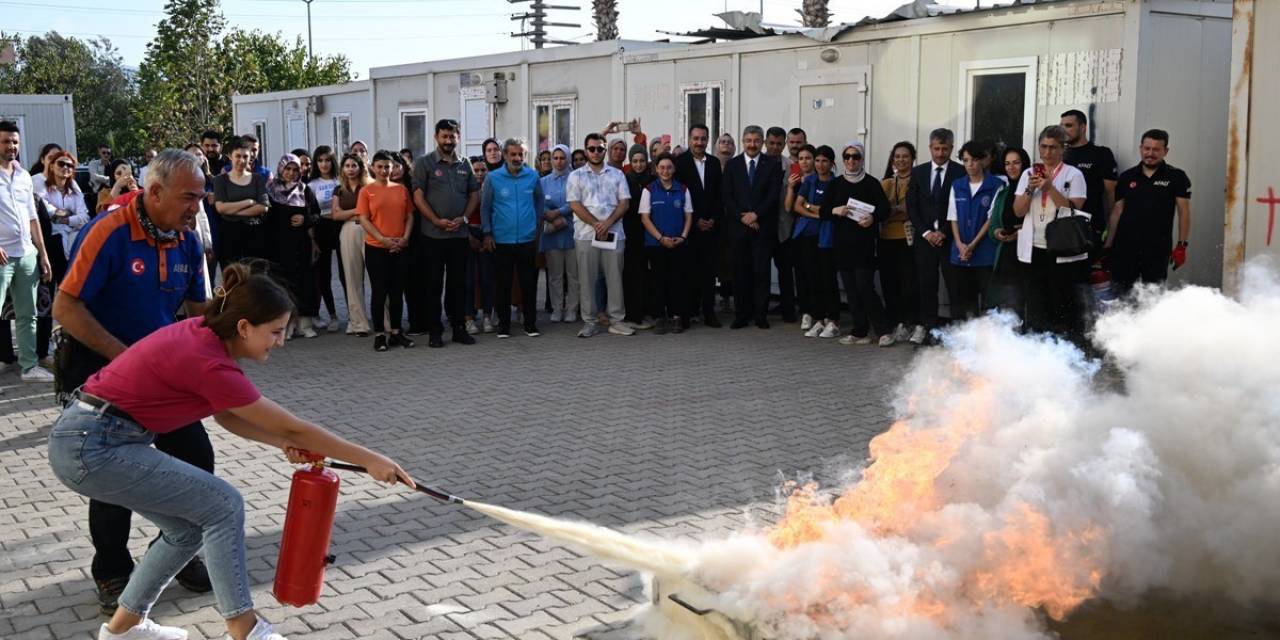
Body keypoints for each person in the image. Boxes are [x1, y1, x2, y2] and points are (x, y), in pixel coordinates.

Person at [50, 261, 415, 640]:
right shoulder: (209, 360)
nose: (280, 341)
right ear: (244, 327)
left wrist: (281, 444)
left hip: (92, 440)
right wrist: (371, 458)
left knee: (186, 530)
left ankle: (124, 630)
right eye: (274, 332)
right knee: (224, 505)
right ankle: (245, 630)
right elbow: (294, 425)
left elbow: (227, 417)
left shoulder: (205, 338)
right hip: (94, 444)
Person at [53, 149, 214, 616]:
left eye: (201, 198)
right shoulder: (107, 231)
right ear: (155, 191)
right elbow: (65, 308)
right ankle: (112, 571)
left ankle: (177, 551)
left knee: (196, 458)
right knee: (112, 478)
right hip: (103, 375)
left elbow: (198, 314)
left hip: (160, 376)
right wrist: (128, 360)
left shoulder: (187, 241)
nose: (196, 208)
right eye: (189, 197)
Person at [1012, 125, 1089, 338]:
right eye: (1043, 147)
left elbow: (1074, 209)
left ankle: (1063, 347)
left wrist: (1049, 188)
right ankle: (1037, 346)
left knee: (1062, 302)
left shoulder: (1074, 174)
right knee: (1035, 302)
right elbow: (1018, 211)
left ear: (1063, 149)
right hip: (1033, 247)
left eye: (1053, 148)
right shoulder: (1028, 173)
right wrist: (1030, 188)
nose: (1047, 153)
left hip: (1062, 248)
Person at [819, 141, 895, 347]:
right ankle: (860, 330)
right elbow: (823, 210)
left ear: (862, 159)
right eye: (847, 157)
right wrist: (836, 210)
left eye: (856, 157)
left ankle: (883, 330)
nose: (851, 161)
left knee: (865, 287)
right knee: (851, 290)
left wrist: (872, 218)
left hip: (864, 246)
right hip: (842, 245)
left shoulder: (871, 183)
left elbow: (884, 209)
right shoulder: (836, 184)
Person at [412, 119, 479, 348]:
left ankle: (458, 328)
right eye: (444, 136)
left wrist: (464, 218)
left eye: (452, 136)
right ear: (436, 137)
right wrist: (436, 221)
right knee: (433, 285)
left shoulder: (465, 164)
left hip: (459, 235)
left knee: (458, 284)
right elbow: (418, 197)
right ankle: (434, 331)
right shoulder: (425, 163)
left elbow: (473, 195)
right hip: (433, 236)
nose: (448, 141)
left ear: (458, 137)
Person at [1104, 129, 1192, 295]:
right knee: (1121, 298)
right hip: (1124, 249)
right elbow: (1117, 211)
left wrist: (1182, 245)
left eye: (1156, 149)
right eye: (1147, 148)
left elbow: (1184, 212)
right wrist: (1108, 245)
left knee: (1152, 299)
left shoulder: (1176, 177)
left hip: (1156, 250)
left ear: (1165, 151)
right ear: (1141, 148)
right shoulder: (1127, 176)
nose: (1150, 153)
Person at [0, 120, 54, 381]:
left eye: (15, 142)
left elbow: (32, 216)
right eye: (6, 141)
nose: (11, 146)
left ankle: (29, 366)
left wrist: (42, 253)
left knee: (27, 314)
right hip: (2, 256)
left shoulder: (23, 176)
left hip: (26, 254)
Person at [565, 133, 632, 338]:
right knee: (587, 280)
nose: (596, 152)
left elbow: (624, 203)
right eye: (592, 148)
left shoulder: (617, 174)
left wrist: (608, 223)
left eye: (600, 148)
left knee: (615, 279)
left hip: (614, 234)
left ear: (605, 150)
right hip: (586, 235)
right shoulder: (575, 175)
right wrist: (595, 224)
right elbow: (574, 204)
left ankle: (617, 321)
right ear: (586, 150)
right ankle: (590, 321)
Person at [905, 128, 964, 345]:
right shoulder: (919, 172)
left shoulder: (960, 172)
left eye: (945, 149)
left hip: (950, 239)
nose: (940, 153)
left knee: (954, 286)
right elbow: (912, 205)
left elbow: (959, 206)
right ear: (930, 148)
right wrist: (927, 232)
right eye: (936, 148)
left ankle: (958, 331)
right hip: (925, 239)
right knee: (926, 285)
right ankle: (927, 327)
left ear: (951, 147)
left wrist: (944, 232)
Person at [480, 139, 544, 338]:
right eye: (513, 155)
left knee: (528, 283)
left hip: (526, 239)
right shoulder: (493, 178)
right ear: (505, 156)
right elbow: (485, 207)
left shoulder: (533, 176)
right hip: (502, 239)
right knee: (503, 284)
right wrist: (488, 232)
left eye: (521, 155)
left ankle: (530, 324)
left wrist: (536, 223)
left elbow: (539, 200)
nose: (517, 158)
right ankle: (504, 326)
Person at [721, 125, 781, 329]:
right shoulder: (732, 165)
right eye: (748, 140)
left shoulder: (771, 164)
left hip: (762, 228)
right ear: (743, 141)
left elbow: (773, 195)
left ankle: (760, 315)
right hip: (738, 229)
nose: (752, 144)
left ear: (762, 142)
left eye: (756, 140)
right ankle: (741, 314)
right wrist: (744, 217)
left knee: (761, 273)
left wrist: (756, 214)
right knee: (740, 273)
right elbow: (727, 196)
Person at [358, 151, 415, 351]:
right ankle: (380, 334)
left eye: (387, 167)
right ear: (373, 167)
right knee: (380, 292)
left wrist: (405, 238)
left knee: (397, 291)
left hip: (400, 247)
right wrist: (382, 239)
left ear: (393, 168)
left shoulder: (401, 189)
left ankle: (397, 332)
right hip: (376, 248)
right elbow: (364, 219)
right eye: (380, 166)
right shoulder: (366, 191)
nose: (384, 170)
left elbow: (409, 216)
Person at [674, 123, 724, 328]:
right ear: (689, 139)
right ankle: (686, 314)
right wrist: (695, 221)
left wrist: (713, 219)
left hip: (711, 227)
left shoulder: (714, 163)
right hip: (689, 226)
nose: (699, 142)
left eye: (703, 139)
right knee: (688, 272)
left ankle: (709, 312)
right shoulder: (679, 163)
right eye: (696, 138)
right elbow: (678, 194)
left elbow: (719, 195)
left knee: (708, 272)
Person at [945, 141, 1002, 318]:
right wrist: (960, 244)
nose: (970, 164)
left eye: (974, 160)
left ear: (983, 161)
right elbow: (952, 217)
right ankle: (966, 340)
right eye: (966, 160)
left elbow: (991, 218)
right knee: (964, 302)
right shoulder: (957, 185)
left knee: (988, 302)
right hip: (960, 253)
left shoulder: (996, 185)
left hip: (984, 252)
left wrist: (972, 245)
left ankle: (987, 342)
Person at [266, 154, 320, 338]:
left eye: (295, 169)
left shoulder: (304, 190)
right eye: (287, 169)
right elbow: (267, 218)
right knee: (283, 285)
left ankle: (305, 324)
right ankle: (287, 325)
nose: (290, 173)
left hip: (301, 245)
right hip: (279, 246)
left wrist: (305, 220)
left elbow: (316, 215)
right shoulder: (271, 191)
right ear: (281, 168)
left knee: (304, 283)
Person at [639, 153, 693, 334]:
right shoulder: (649, 190)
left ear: (674, 169)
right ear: (656, 169)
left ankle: (676, 317)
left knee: (677, 281)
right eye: (661, 167)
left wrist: (683, 237)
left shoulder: (683, 189)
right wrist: (661, 238)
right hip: (656, 245)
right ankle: (660, 318)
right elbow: (645, 218)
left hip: (679, 244)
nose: (665, 171)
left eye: (669, 167)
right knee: (658, 282)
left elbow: (688, 216)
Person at [796, 145, 839, 339]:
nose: (820, 165)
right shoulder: (810, 181)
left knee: (828, 278)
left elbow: (832, 210)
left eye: (825, 161)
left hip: (828, 236)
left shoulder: (837, 183)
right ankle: (818, 318)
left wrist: (814, 208)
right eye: (818, 160)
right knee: (812, 278)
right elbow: (798, 205)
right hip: (808, 235)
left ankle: (833, 319)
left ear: (832, 163)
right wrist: (815, 212)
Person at [1061, 109, 1117, 254]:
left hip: (1090, 228)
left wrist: (1111, 230)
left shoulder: (1101, 154)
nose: (1063, 130)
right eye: (1061, 126)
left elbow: (1112, 195)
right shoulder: (1059, 155)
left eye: (1068, 125)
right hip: (1060, 228)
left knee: (1084, 275)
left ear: (1083, 127)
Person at [879, 141, 918, 343]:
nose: (901, 160)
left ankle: (908, 322)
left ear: (912, 159)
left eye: (905, 156)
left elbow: (911, 209)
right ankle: (892, 322)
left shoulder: (918, 181)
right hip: (886, 239)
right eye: (897, 156)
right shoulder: (886, 183)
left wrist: (892, 211)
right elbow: (880, 212)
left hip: (908, 240)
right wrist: (896, 211)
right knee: (889, 284)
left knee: (908, 284)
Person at [34, 150, 91, 285]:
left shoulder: (75, 191)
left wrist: (66, 218)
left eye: (70, 165)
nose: (65, 167)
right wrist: (71, 214)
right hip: (52, 242)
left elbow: (84, 217)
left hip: (74, 240)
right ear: (52, 166)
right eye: (61, 163)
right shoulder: (43, 188)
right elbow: (48, 212)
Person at [987, 147, 1031, 316]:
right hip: (1006, 256)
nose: (1011, 167)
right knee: (1009, 306)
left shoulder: (1033, 192)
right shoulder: (1003, 193)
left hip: (1028, 257)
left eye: (1016, 163)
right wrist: (997, 232)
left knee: (1028, 302)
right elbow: (993, 225)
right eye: (1007, 164)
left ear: (1025, 164)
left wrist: (1020, 233)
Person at [213, 137, 270, 267]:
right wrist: (249, 202)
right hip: (229, 236)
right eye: (238, 156)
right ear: (230, 156)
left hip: (254, 234)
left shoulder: (257, 179)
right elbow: (221, 208)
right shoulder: (220, 180)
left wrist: (232, 211)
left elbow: (263, 207)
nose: (242, 160)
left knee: (255, 276)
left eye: (245, 156)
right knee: (233, 276)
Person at [332, 153, 372, 336]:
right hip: (348, 231)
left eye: (354, 165)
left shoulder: (370, 186)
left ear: (360, 167)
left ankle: (386, 321)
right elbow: (336, 215)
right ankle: (358, 323)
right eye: (347, 165)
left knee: (376, 276)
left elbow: (374, 212)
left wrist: (348, 212)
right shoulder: (339, 190)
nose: (350, 169)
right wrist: (359, 211)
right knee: (352, 278)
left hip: (370, 230)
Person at [540, 145, 578, 323]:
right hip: (552, 233)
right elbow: (539, 203)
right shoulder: (544, 181)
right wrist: (552, 217)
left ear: (568, 159)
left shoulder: (576, 178)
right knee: (555, 275)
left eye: (562, 158)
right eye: (555, 158)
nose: (558, 161)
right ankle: (556, 308)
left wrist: (560, 212)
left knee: (573, 275)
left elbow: (577, 201)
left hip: (572, 232)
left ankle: (572, 309)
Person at [307, 146, 342, 332]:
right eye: (320, 160)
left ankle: (355, 315)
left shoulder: (341, 180)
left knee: (346, 274)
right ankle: (333, 315)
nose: (324, 164)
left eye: (327, 160)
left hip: (340, 227)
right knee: (324, 275)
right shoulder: (311, 185)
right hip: (322, 230)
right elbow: (311, 213)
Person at [623, 144, 655, 330]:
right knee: (632, 274)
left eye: (642, 161)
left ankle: (647, 311)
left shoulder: (652, 180)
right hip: (630, 233)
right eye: (635, 161)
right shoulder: (625, 180)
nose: (639, 165)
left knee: (647, 274)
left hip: (649, 232)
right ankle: (633, 314)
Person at [785, 144, 817, 331]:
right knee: (801, 274)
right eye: (801, 159)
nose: (804, 162)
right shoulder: (796, 180)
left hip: (816, 231)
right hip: (798, 232)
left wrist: (804, 207)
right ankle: (806, 311)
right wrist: (790, 188)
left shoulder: (819, 179)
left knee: (815, 274)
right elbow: (789, 208)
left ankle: (818, 311)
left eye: (808, 158)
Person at [466, 155, 495, 333]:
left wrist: (487, 236)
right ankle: (468, 318)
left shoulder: (491, 189)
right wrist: (469, 237)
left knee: (487, 279)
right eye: (475, 170)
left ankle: (487, 316)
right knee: (468, 280)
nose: (479, 174)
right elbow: (461, 214)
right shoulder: (464, 190)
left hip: (487, 235)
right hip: (468, 235)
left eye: (483, 170)